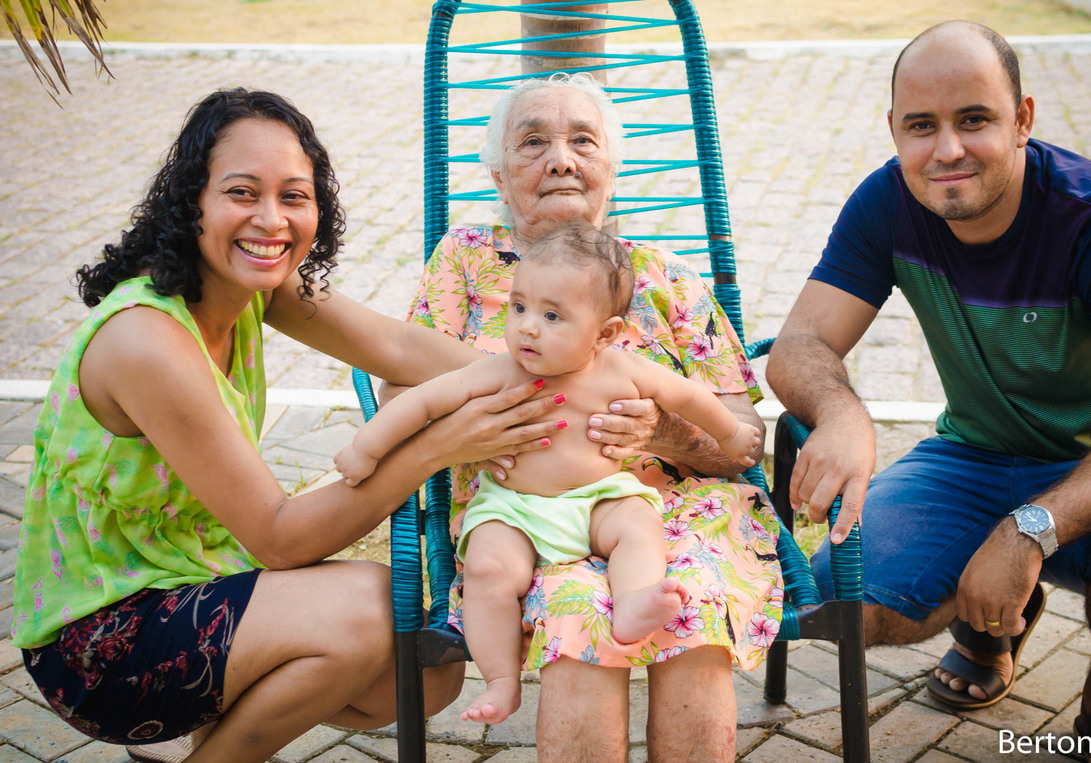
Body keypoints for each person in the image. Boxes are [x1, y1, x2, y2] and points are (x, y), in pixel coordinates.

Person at [12, 88, 571, 763]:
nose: (271, 219)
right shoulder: (146, 341)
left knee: (426, 674)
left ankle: (199, 737)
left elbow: (396, 347)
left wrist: (560, 391)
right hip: (99, 644)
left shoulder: (256, 285)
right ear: (191, 200)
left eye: (294, 196)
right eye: (242, 193)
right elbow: (279, 539)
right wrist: (438, 445)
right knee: (369, 607)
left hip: (195, 582)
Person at [765, 20, 1091, 762]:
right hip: (972, 456)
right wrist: (843, 414)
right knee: (839, 598)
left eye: (974, 119)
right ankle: (990, 628)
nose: (947, 150)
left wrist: (1028, 529)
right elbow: (800, 343)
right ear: (894, 129)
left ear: (1022, 119)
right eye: (921, 125)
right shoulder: (887, 202)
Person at [392, 72, 782, 761]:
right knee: (575, 612)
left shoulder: (665, 277)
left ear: (611, 169)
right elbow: (401, 399)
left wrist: (666, 433)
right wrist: (473, 432)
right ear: (499, 175)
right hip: (521, 518)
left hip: (674, 512)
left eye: (582, 141)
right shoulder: (466, 261)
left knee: (687, 597)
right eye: (533, 142)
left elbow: (743, 442)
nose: (561, 160)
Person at [339, 221, 762, 724]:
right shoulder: (496, 371)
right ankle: (501, 679)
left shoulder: (623, 369)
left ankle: (633, 603)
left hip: (600, 496)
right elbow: (422, 403)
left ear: (604, 334)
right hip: (512, 507)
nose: (527, 327)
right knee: (487, 572)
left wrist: (732, 434)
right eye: (518, 307)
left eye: (552, 315)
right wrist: (366, 447)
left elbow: (691, 398)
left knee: (638, 525)